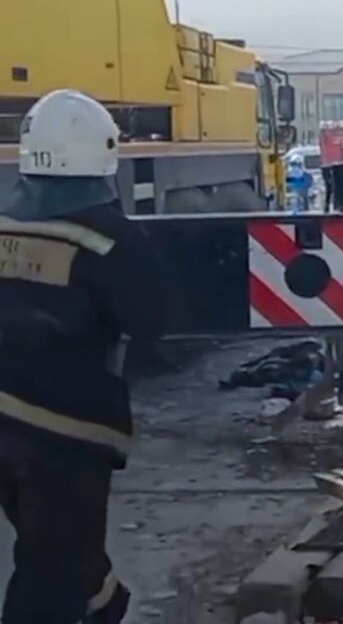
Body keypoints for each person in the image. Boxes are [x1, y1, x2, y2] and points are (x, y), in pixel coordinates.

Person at [0, 89, 170, 623]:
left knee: (64, 553)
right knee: (49, 572)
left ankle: (106, 606)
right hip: (63, 432)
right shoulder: (109, 239)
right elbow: (152, 323)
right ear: (105, 159)